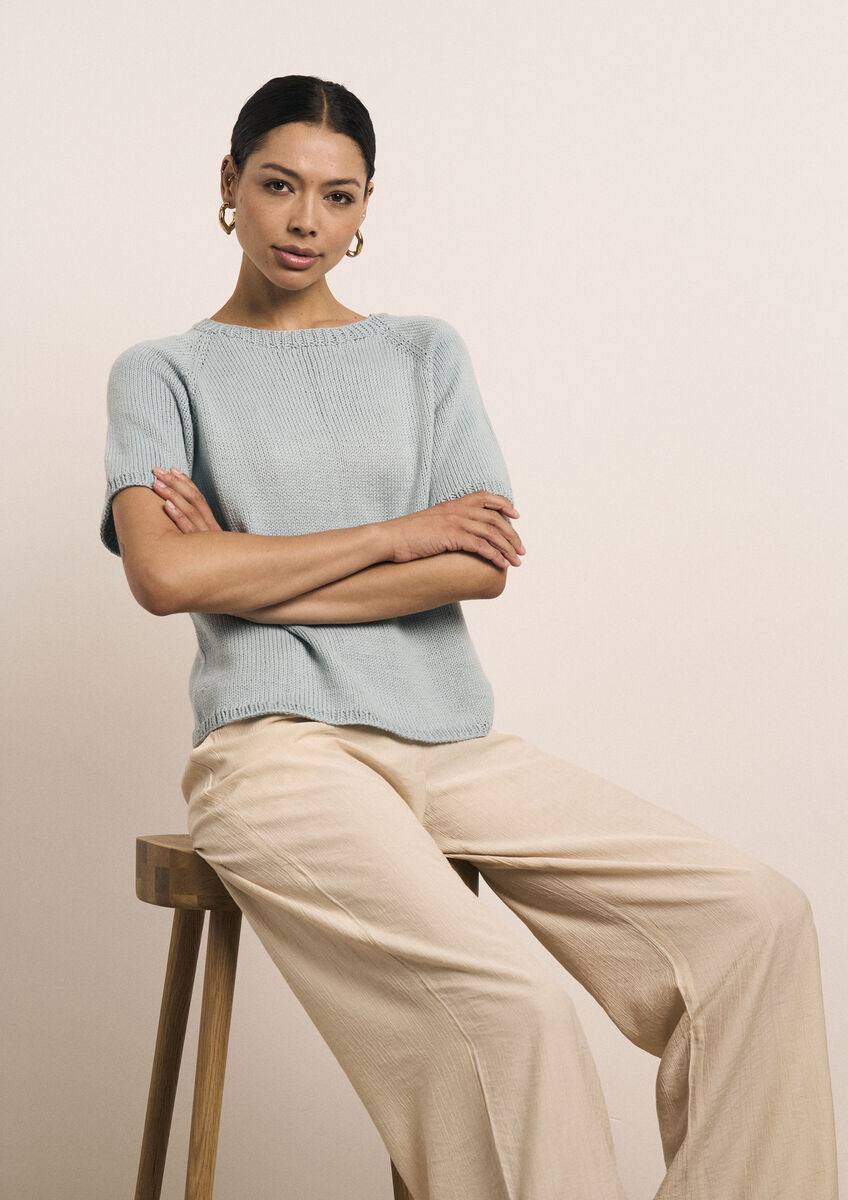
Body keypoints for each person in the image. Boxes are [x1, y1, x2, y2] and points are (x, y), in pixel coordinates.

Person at [100, 74, 838, 1200]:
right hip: (275, 755)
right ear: (230, 184)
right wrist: (394, 534)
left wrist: (245, 569)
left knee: (759, 920)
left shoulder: (422, 353)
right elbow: (162, 574)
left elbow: (476, 566)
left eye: (338, 196)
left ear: (366, 207)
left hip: (449, 739)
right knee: (514, 1010)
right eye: (279, 185)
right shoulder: (162, 372)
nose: (306, 221)